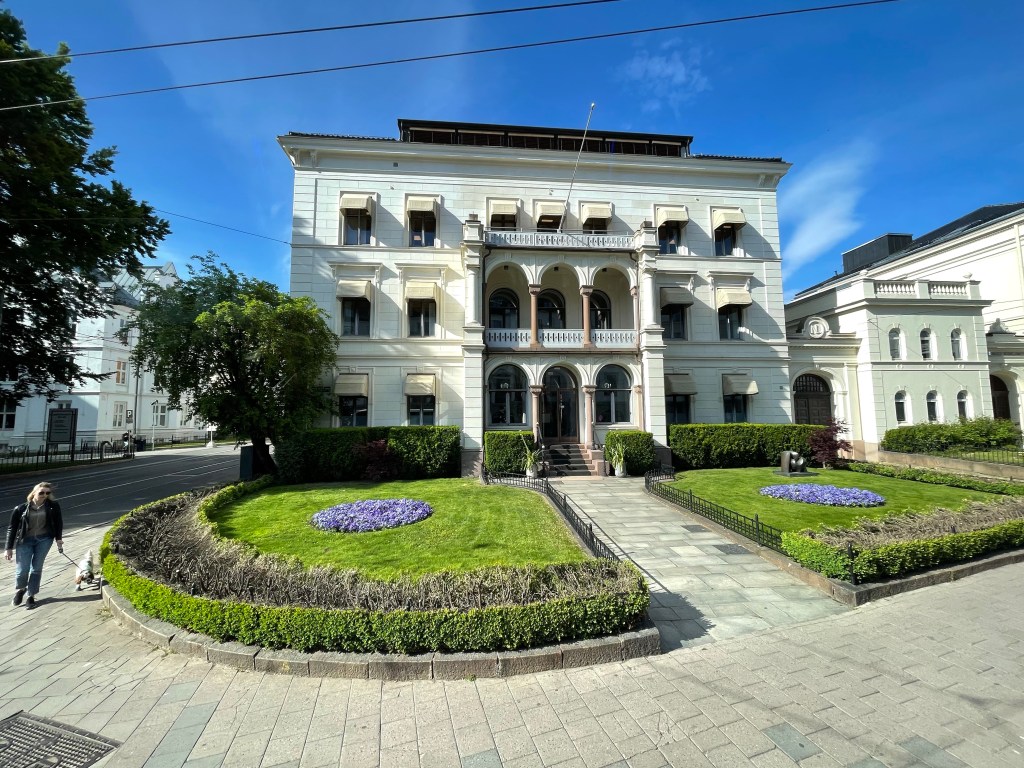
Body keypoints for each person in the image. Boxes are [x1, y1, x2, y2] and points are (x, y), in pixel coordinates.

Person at [5, 482, 64, 609]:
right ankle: (21, 589)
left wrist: (59, 539)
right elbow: (12, 528)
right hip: (25, 541)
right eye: (41, 492)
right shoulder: (20, 509)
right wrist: (8, 548)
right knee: (22, 570)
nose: (44, 495)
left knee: (36, 568)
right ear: (34, 493)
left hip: (44, 540)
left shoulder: (53, 506)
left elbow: (58, 522)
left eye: (47, 493)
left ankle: (31, 596)